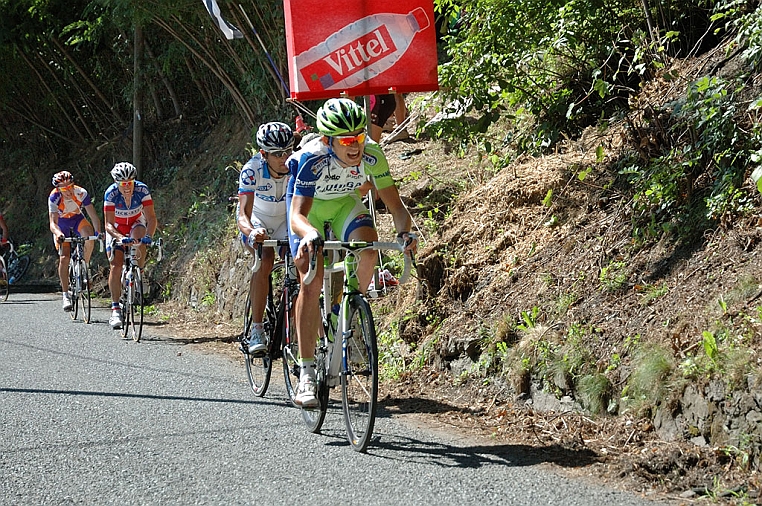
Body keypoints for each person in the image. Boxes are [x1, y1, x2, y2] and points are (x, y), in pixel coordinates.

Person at [287, 97, 417, 407]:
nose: (355, 145)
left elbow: (396, 206)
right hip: (310, 212)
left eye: (359, 136)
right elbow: (296, 216)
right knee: (311, 277)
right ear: (327, 139)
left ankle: (347, 309)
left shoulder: (372, 154)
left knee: (368, 249)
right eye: (346, 140)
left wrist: (405, 233)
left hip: (344, 202)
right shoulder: (312, 159)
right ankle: (306, 371)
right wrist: (310, 234)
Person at [236, 121, 294, 355]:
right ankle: (257, 329)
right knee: (265, 259)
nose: (285, 158)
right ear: (263, 154)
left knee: (301, 261)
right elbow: (243, 216)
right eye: (278, 154)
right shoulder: (252, 170)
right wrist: (252, 232)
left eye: (288, 150)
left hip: (285, 222)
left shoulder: (297, 165)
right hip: (258, 222)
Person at [103, 162, 157, 330]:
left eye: (130, 183)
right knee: (116, 264)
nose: (127, 187)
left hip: (136, 223)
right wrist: (120, 238)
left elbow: (152, 218)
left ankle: (139, 272)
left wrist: (149, 236)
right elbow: (108, 225)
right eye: (123, 184)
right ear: (117, 183)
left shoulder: (142, 190)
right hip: (116, 229)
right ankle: (115, 309)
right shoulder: (111, 194)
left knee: (140, 239)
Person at [48, 171, 102, 311]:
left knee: (88, 236)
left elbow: (93, 216)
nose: (68, 190)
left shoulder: (81, 193)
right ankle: (65, 294)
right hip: (61, 224)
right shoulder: (54, 197)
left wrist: (98, 232)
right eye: (64, 188)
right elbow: (53, 223)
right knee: (64, 257)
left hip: (77, 219)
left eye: (70, 186)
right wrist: (58, 233)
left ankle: (85, 265)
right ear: (59, 189)